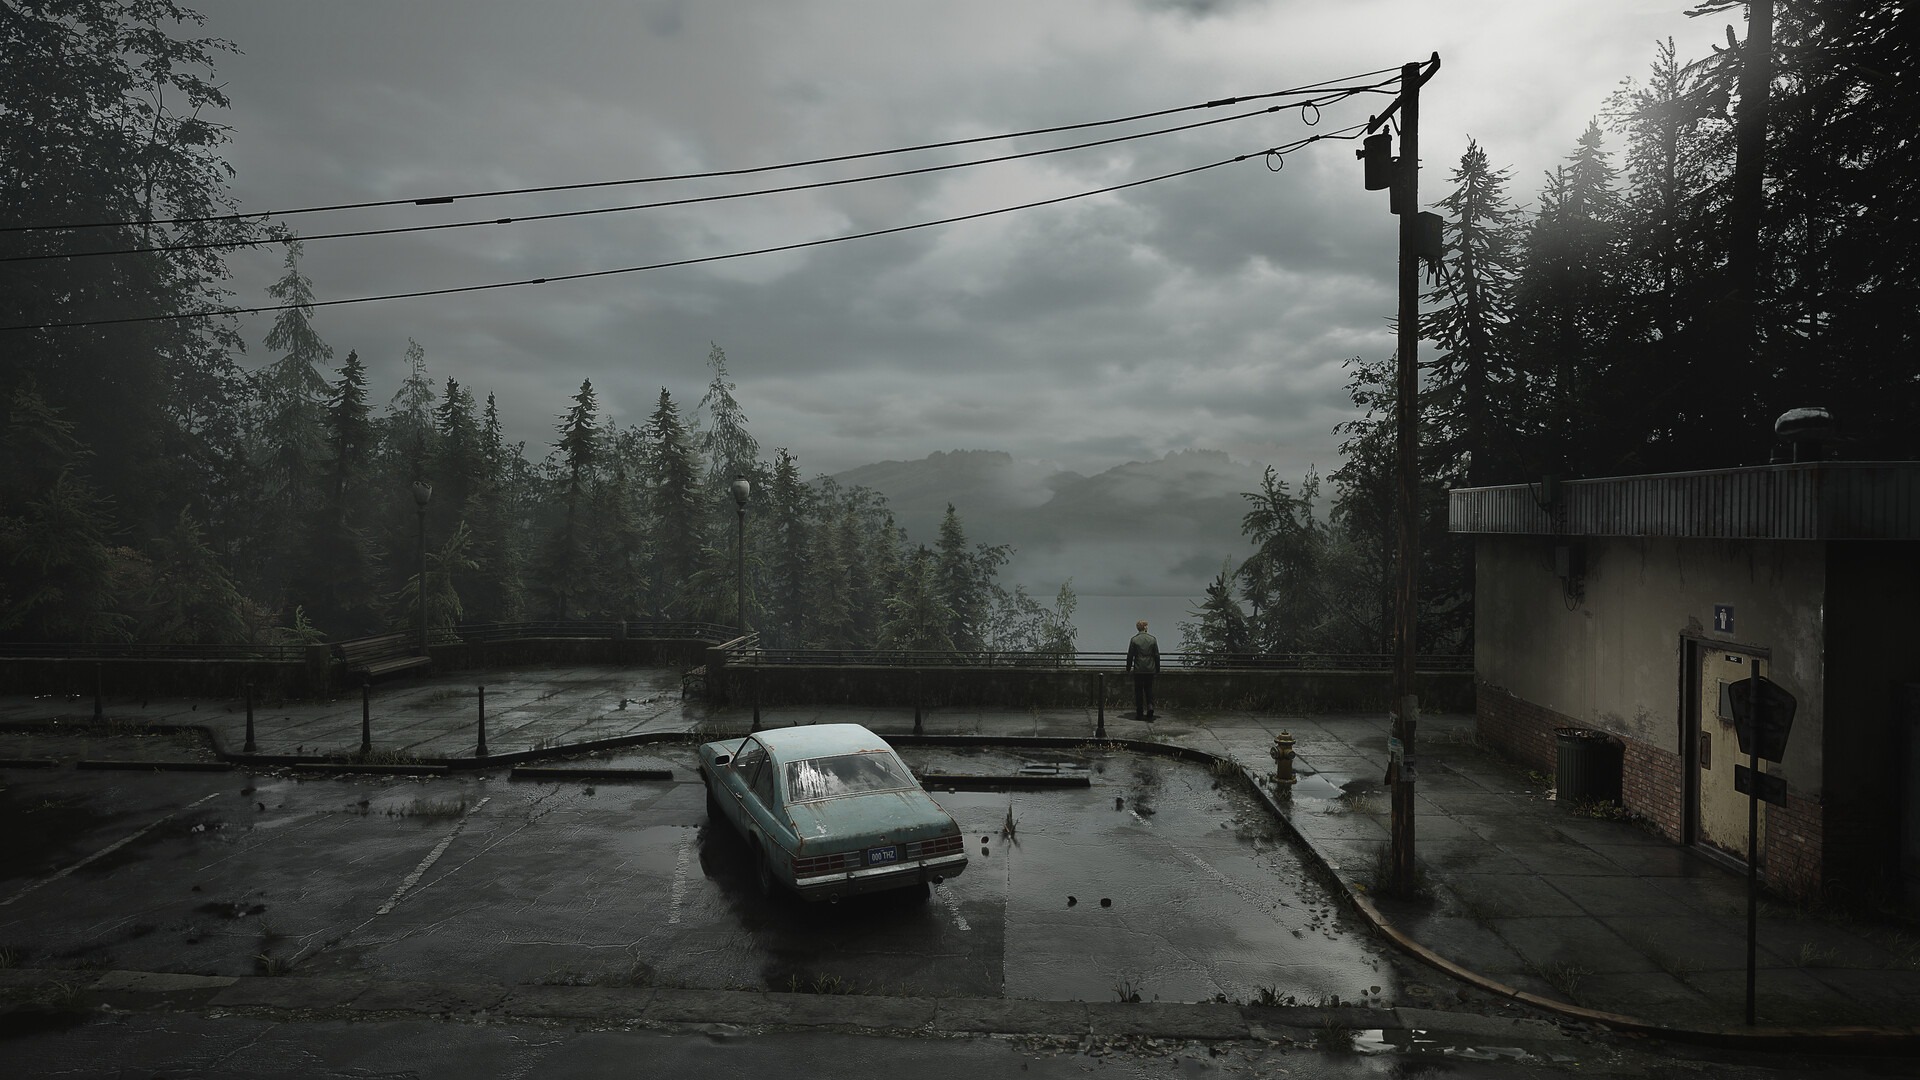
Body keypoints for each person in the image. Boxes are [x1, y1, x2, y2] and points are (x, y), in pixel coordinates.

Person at [1124, 619, 1159, 721]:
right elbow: (1156, 655)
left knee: (1138, 691)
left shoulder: (1134, 640)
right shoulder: (1152, 639)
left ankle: (1139, 712)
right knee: (1149, 689)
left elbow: (1130, 655)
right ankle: (1150, 707)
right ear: (1144, 627)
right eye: (1147, 626)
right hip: (1150, 668)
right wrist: (1157, 668)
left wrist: (1128, 667)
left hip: (1139, 669)